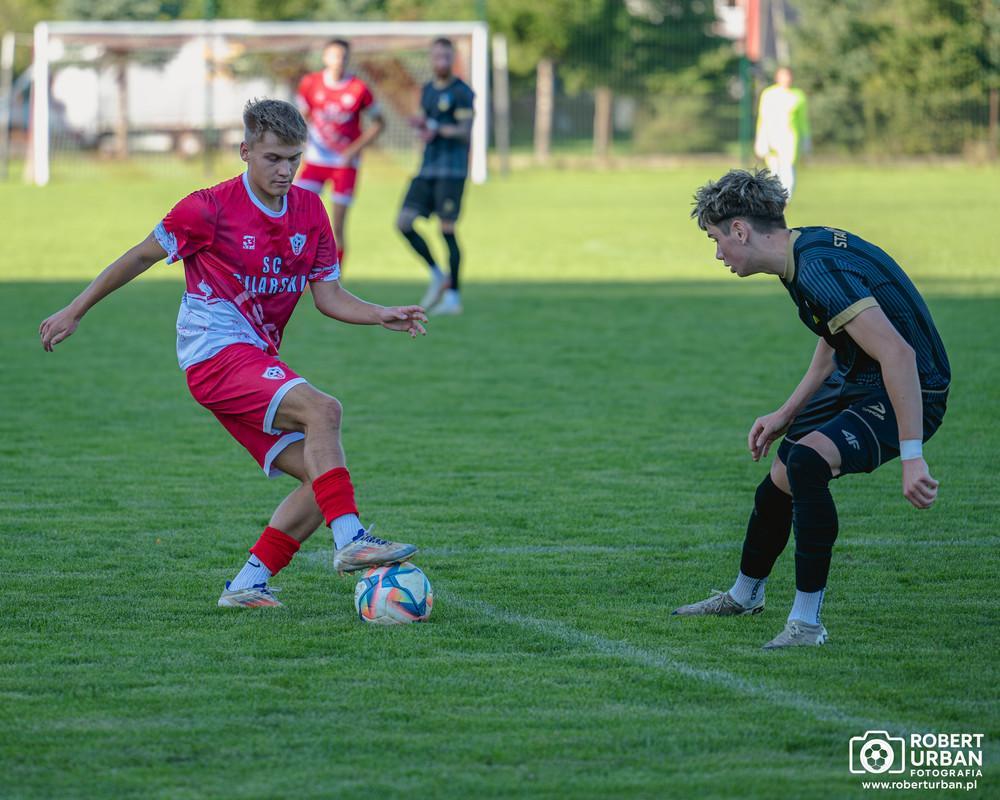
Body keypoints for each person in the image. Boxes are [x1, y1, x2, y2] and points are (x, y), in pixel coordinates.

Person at [39, 99, 426, 609]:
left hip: (250, 356)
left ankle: (247, 584)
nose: (285, 170)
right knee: (324, 410)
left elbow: (329, 297)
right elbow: (139, 255)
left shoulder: (310, 212)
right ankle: (351, 541)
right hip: (213, 352)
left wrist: (380, 313)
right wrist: (75, 309)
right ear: (245, 151)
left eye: (294, 158)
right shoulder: (208, 208)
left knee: (321, 478)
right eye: (272, 158)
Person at [675, 168, 950, 649]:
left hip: (910, 389)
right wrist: (786, 412)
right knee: (777, 483)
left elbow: (900, 355)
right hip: (860, 376)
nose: (718, 253)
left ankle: (805, 624)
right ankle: (744, 596)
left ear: (741, 230)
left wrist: (913, 456)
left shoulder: (818, 267)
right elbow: (834, 340)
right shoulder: (799, 253)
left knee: (805, 464)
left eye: (718, 239)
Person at [396, 37, 475, 316]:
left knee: (447, 229)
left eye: (446, 56)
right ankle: (437, 273)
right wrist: (422, 127)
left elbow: (464, 132)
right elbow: (428, 125)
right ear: (431, 58)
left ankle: (453, 298)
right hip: (427, 168)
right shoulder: (428, 90)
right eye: (437, 56)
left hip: (452, 171)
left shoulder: (462, 92)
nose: (441, 61)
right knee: (403, 222)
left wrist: (435, 128)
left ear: (452, 59)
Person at [296, 38, 385, 268]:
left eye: (343, 56)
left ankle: (335, 282)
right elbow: (300, 116)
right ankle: (299, 273)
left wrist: (353, 150)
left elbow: (379, 123)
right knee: (294, 215)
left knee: (337, 225)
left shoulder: (358, 88)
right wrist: (300, 143)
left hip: (345, 164)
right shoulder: (310, 83)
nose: (339, 61)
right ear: (325, 57)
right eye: (334, 56)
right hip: (315, 161)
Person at [754, 67, 810, 202]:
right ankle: (774, 201)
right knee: (774, 171)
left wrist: (806, 139)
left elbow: (803, 120)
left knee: (787, 170)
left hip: (790, 139)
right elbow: (763, 118)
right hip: (772, 137)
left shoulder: (798, 95)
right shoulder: (769, 94)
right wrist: (761, 139)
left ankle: (785, 202)